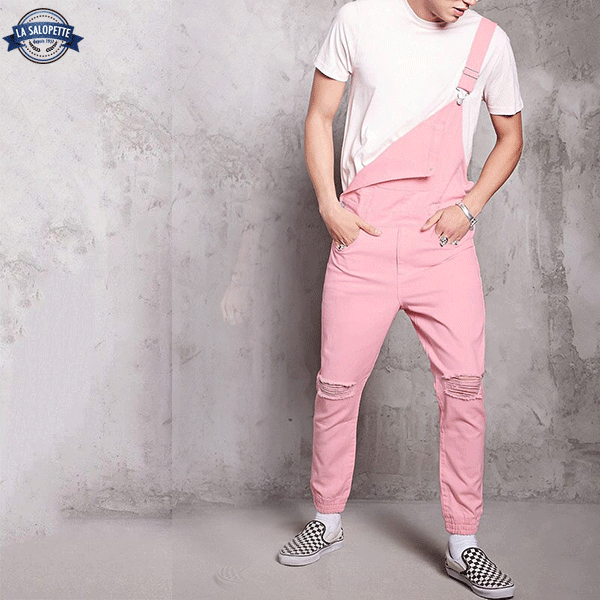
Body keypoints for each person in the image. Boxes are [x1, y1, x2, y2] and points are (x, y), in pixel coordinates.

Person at [278, 1, 523, 598]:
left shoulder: (489, 41)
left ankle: (464, 545)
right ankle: (326, 521)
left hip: (441, 241)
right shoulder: (358, 20)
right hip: (363, 233)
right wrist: (329, 205)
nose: (470, 0)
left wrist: (470, 208)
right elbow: (320, 116)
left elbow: (511, 136)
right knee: (337, 387)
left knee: (464, 390)